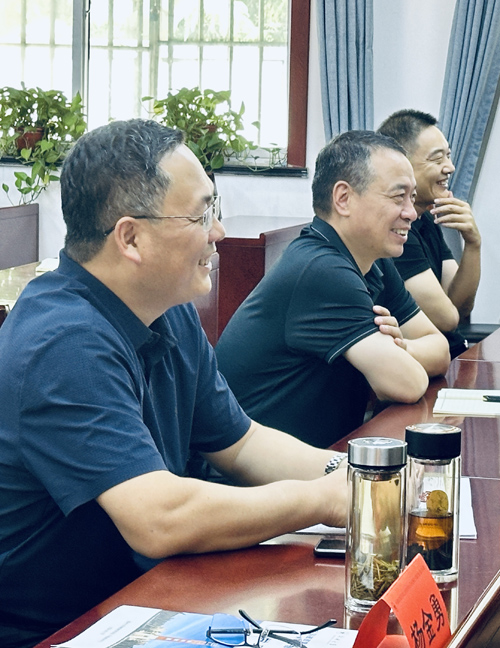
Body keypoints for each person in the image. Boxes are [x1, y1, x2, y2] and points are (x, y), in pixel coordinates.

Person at [0, 119, 349, 648]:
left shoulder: (166, 308)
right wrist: (322, 500)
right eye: (201, 215)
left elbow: (242, 443)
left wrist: (355, 476)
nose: (218, 232)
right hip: (58, 630)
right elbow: (159, 519)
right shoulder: (63, 342)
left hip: (142, 598)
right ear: (131, 237)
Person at [216, 131, 450, 448]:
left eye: (412, 197)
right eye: (398, 197)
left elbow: (440, 350)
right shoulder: (321, 270)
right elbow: (408, 383)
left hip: (319, 457)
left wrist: (402, 348)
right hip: (251, 470)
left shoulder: (374, 261)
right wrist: (401, 356)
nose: (410, 212)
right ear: (343, 198)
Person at [377, 109, 481, 358]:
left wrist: (473, 243)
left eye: (449, 156)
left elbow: (461, 308)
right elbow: (447, 319)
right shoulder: (397, 230)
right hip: (426, 363)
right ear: (402, 165)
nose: (450, 167)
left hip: (452, 355)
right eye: (437, 159)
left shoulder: (426, 218)